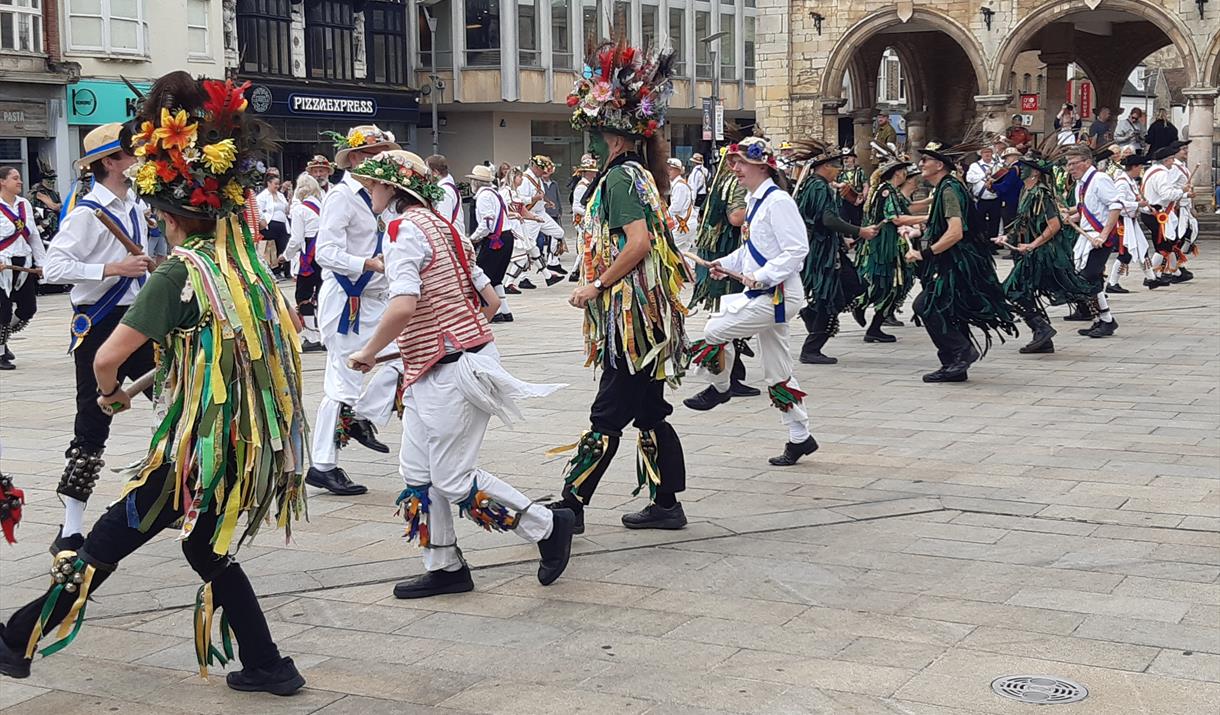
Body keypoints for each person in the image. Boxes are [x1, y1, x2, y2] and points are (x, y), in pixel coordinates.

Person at [0, 70, 308, 695]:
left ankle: (17, 638)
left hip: (192, 456)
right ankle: (270, 665)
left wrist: (112, 392)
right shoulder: (244, 269)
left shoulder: (177, 274)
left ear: (167, 213)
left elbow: (104, 361)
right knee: (206, 552)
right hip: (238, 448)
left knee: (109, 541)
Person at [341, 150, 574, 598]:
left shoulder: (402, 229)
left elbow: (405, 303)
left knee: (450, 477)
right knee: (418, 471)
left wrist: (371, 352)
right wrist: (446, 331)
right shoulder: (444, 226)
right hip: (448, 362)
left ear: (393, 188)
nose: (367, 189)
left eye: (372, 183)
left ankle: (546, 526)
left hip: (451, 369)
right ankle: (445, 565)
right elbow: (488, 301)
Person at [551, 41, 689, 532]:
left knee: (607, 413)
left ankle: (571, 506)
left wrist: (595, 285)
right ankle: (667, 504)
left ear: (605, 130)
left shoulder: (619, 179)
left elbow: (639, 243)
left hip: (632, 318)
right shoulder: (639, 173)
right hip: (646, 318)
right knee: (649, 411)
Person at [36, 124, 157, 549]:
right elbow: (53, 269)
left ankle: (175, 496)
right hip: (100, 322)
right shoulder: (88, 213)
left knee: (174, 401)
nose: (139, 161)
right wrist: (110, 269)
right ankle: (71, 525)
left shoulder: (136, 206)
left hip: (139, 319)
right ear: (110, 162)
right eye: (131, 154)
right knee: (93, 419)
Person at [685, 138, 817, 465]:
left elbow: (796, 250)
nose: (735, 169)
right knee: (778, 371)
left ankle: (720, 386)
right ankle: (800, 437)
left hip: (779, 295)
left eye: (741, 163)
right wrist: (725, 265)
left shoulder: (778, 202)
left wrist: (764, 276)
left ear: (762, 165)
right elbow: (750, 251)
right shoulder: (755, 200)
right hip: (764, 293)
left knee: (715, 329)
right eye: (734, 162)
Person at [309, 124, 404, 496]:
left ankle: (363, 417)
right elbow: (325, 254)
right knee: (342, 382)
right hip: (346, 299)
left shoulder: (379, 196)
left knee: (400, 355)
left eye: (383, 153)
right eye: (373, 154)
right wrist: (368, 263)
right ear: (354, 159)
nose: (381, 159)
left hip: (374, 299)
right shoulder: (341, 197)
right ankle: (323, 465)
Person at [901, 141, 1017, 382]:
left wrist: (925, 253)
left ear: (940, 165)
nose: (921, 164)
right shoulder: (945, 187)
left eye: (926, 160)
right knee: (948, 309)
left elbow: (955, 232)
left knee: (926, 306)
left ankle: (961, 353)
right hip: (954, 260)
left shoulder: (949, 190)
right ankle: (955, 364)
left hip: (958, 263)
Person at [993, 154, 1095, 354]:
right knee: (1022, 291)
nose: (1020, 169)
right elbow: (1024, 221)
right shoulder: (1026, 190)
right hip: (1032, 252)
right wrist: (1007, 237)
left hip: (1042, 254)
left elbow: (1054, 225)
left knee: (1012, 290)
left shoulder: (1041, 193)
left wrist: (1032, 245)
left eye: (1025, 167)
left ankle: (1042, 328)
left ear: (1036, 172)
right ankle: (1042, 335)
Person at [792, 142, 878, 365]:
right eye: (836, 165)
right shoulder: (819, 187)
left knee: (854, 285)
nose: (839, 169)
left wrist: (843, 238)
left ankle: (811, 314)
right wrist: (860, 231)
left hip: (826, 247)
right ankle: (811, 348)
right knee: (829, 297)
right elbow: (827, 219)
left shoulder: (813, 184)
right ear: (825, 167)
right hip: (821, 252)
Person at [853, 155, 917, 343]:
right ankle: (861, 304)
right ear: (898, 172)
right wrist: (927, 218)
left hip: (887, 242)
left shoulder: (889, 190)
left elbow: (906, 210)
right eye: (904, 170)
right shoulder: (886, 191)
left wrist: (932, 203)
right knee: (889, 283)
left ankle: (873, 324)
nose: (907, 174)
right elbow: (895, 218)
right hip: (884, 244)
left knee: (891, 283)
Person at [1063, 143, 1122, 338]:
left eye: (1073, 163)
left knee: (1088, 277)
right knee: (1091, 278)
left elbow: (1115, 206)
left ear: (1087, 162)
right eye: (1068, 164)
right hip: (1086, 236)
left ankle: (1105, 319)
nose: (1070, 168)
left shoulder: (1100, 179)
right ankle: (1102, 320)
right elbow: (1087, 211)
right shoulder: (1081, 184)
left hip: (1099, 237)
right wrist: (1072, 217)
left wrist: (1104, 235)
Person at [0, 167, 46, 371]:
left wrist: (42, 264)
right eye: (15, 178)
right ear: (2, 182)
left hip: (24, 264)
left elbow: (34, 235)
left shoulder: (24, 204)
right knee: (2, 310)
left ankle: (2, 339)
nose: (20, 181)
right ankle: (0, 352)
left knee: (28, 308)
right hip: (2, 264)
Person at [283, 173, 326, 351]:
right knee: (323, 294)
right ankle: (324, 336)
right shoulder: (322, 205)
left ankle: (312, 335)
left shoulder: (299, 209)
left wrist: (285, 256)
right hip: (324, 252)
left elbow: (296, 238)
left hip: (309, 254)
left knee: (303, 295)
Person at [467, 163, 515, 322]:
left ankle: (492, 312)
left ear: (476, 182)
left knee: (482, 276)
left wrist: (473, 238)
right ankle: (505, 312)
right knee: (496, 278)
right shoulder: (496, 194)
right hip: (506, 237)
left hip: (496, 239)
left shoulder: (484, 196)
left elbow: (487, 223)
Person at [1107, 153, 1160, 292]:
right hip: (1122, 221)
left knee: (1142, 248)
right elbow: (1118, 203)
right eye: (1140, 166)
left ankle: (1151, 278)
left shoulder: (1130, 182)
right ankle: (1112, 283)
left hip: (1131, 220)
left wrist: (1148, 209)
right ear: (1134, 167)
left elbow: (1136, 203)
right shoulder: (1122, 183)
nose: (1141, 169)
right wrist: (1138, 204)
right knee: (1125, 252)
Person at [519, 155, 567, 284]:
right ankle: (523, 278)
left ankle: (553, 261)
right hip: (529, 216)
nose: (544, 172)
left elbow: (540, 195)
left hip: (541, 213)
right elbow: (520, 199)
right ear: (535, 167)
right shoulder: (525, 179)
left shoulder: (538, 178)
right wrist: (534, 199)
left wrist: (545, 203)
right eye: (542, 169)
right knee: (529, 247)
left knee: (559, 233)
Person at [567, 155, 599, 282]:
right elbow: (576, 206)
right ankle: (576, 271)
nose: (594, 173)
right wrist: (588, 213)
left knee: (587, 245)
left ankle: (577, 271)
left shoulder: (589, 184)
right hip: (582, 220)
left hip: (588, 219)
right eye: (592, 171)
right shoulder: (581, 186)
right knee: (584, 246)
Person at [256, 171, 289, 279]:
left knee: (284, 245)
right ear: (269, 183)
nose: (277, 186)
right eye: (275, 184)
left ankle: (286, 269)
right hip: (270, 224)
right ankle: (275, 270)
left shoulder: (280, 195)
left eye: (278, 184)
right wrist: (263, 220)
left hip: (282, 224)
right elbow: (258, 209)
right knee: (272, 247)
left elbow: (286, 208)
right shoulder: (263, 196)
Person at [966, 145, 1003, 240]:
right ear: (981, 154)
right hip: (981, 199)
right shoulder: (974, 166)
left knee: (995, 222)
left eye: (989, 152)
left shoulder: (998, 165)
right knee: (979, 222)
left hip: (995, 198)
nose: (987, 154)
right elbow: (969, 178)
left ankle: (992, 244)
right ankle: (982, 243)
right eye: (985, 152)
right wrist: (983, 175)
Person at [427, 154, 466, 236]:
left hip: (451, 239)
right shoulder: (449, 187)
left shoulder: (444, 191)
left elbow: (444, 220)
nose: (426, 174)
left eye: (428, 171)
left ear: (435, 172)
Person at [666, 157, 696, 251]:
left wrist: (664, 216)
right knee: (683, 252)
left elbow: (675, 208)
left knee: (671, 249)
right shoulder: (677, 184)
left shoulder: (679, 186)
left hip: (684, 224)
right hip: (685, 222)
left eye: (671, 169)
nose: (668, 171)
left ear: (678, 171)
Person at [835, 152, 867, 226]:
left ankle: (857, 237)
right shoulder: (839, 173)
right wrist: (838, 185)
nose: (845, 160)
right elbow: (832, 182)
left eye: (847, 157)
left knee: (856, 222)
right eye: (844, 158)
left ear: (853, 159)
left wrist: (862, 197)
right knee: (843, 222)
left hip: (857, 201)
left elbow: (865, 185)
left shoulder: (860, 172)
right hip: (843, 201)